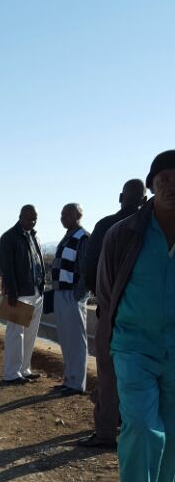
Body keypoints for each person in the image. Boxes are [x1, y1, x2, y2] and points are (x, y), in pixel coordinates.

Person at [98, 151, 175, 482]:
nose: (172, 184)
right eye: (164, 177)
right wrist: (110, 343)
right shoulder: (125, 234)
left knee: (173, 432)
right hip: (133, 346)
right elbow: (107, 293)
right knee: (142, 428)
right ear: (151, 184)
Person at [78, 179, 147, 448]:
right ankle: (135, 427)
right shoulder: (154, 227)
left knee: (108, 372)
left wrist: (104, 300)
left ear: (121, 197)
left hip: (110, 310)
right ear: (143, 200)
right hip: (146, 312)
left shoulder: (107, 226)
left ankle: (107, 431)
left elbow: (90, 268)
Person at [0, 205, 45, 384]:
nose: (31, 222)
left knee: (31, 333)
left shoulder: (35, 237)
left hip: (36, 292)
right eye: (28, 218)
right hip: (20, 293)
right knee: (16, 333)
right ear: (20, 216)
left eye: (34, 219)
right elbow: (6, 268)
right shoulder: (9, 238)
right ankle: (11, 373)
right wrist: (11, 292)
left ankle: (24, 369)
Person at [50, 204, 90, 395]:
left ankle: (76, 384)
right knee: (66, 339)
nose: (62, 217)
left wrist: (78, 295)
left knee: (76, 340)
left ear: (78, 215)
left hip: (72, 294)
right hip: (61, 292)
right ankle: (69, 379)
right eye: (61, 214)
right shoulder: (68, 236)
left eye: (66, 214)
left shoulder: (83, 237)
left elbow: (85, 270)